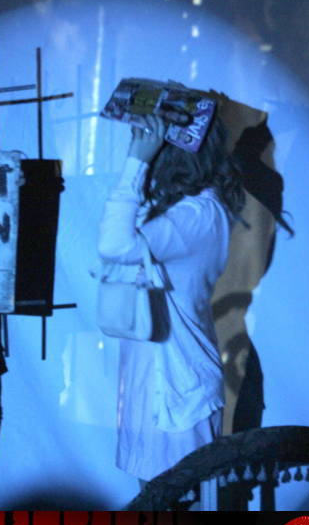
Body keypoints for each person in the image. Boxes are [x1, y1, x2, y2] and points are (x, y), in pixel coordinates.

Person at [97, 111, 244, 485]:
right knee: (152, 503)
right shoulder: (179, 209)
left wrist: (137, 162)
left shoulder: (198, 215)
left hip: (178, 389)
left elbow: (114, 244)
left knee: (177, 504)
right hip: (154, 381)